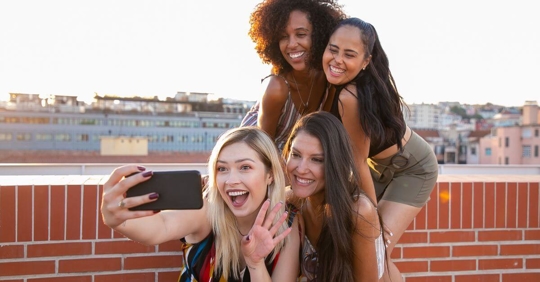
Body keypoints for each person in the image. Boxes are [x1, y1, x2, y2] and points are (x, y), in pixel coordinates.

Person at [100, 126, 301, 281]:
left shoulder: (286, 225)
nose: (231, 180)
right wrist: (117, 219)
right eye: (222, 169)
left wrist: (255, 264)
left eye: (245, 167)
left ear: (270, 175)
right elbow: (160, 227)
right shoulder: (206, 210)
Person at [322, 17, 439, 281]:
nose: (337, 59)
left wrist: (371, 221)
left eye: (349, 54)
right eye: (333, 49)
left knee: (375, 249)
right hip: (378, 167)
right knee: (369, 252)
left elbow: (357, 162)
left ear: (366, 61)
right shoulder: (335, 86)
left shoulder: (349, 96)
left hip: (412, 169)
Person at [283, 111, 385, 281]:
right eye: (296, 155)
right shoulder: (290, 201)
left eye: (316, 159)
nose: (301, 168)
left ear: (335, 164)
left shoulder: (358, 211)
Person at [241, 0, 346, 151]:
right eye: (283, 37)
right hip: (252, 162)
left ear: (320, 36)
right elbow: (263, 154)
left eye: (301, 34)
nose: (291, 44)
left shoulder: (330, 81)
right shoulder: (276, 87)